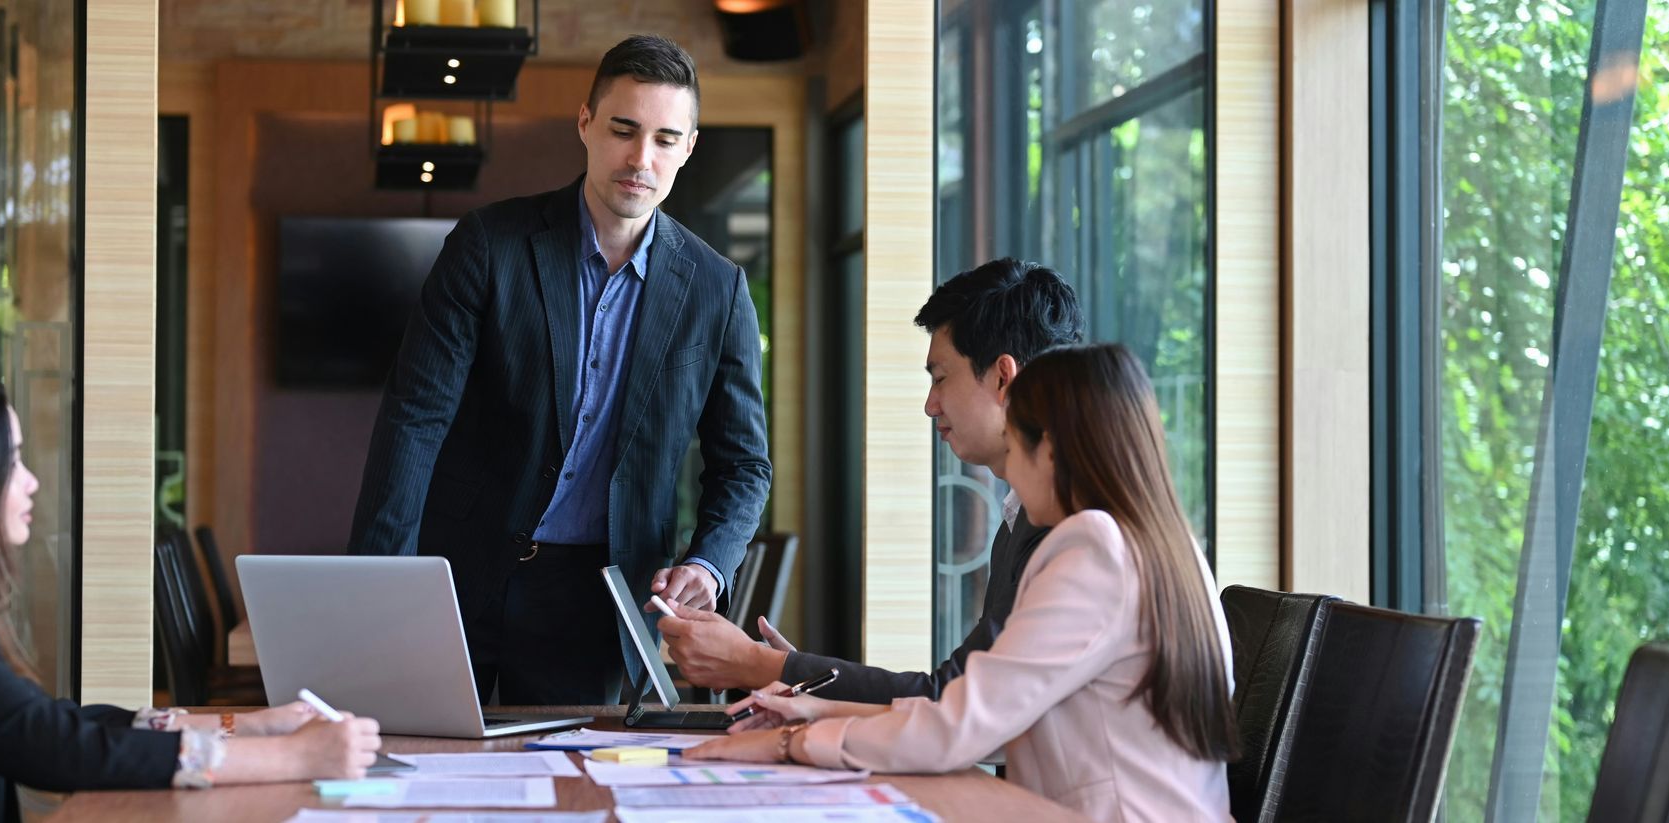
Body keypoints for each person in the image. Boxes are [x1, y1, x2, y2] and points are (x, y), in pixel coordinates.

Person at [347, 34, 770, 705]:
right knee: (421, 774)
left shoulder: (718, 290)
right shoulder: (490, 245)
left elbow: (744, 464)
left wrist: (709, 559)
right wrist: (381, 582)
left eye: (665, 139)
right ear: (585, 123)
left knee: (569, 793)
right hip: (455, 572)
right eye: (623, 129)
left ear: (688, 147)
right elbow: (415, 417)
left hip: (595, 599)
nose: (640, 158)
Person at [689, 344, 1239, 822]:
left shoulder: (1094, 547)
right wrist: (821, 710)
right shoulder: (1164, 543)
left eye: (1016, 447)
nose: (1011, 477)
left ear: (1047, 449)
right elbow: (1002, 720)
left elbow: (964, 724)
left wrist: (792, 743)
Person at [0, 364, 382, 822]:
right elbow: (51, 747)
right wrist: (291, 755)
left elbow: (49, 720)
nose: (30, 481)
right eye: (12, 459)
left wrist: (246, 725)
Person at [656, 258, 1082, 701]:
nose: (930, 405)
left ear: (1002, 377)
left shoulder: (1064, 524)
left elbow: (957, 700)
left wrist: (760, 665)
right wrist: (793, 678)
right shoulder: (1026, 513)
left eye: (940, 378)